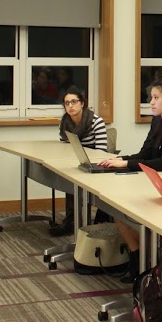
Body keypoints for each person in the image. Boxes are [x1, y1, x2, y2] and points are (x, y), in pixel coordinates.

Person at [96, 76, 162, 282]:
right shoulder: (158, 121)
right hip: (160, 182)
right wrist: (120, 159)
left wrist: (126, 164)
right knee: (118, 207)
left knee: (136, 210)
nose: (151, 102)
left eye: (156, 98)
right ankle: (138, 259)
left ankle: (152, 267)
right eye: (151, 97)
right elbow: (145, 153)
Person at [52, 86, 108, 236]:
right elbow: (64, 147)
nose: (70, 106)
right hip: (74, 163)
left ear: (82, 103)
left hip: (95, 166)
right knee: (70, 176)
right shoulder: (64, 123)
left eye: (74, 102)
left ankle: (75, 221)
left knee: (74, 177)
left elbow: (101, 152)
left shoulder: (96, 122)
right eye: (67, 103)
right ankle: (72, 220)